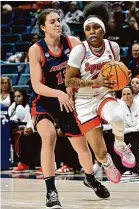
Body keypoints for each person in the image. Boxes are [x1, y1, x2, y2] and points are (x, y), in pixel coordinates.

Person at [29, 9, 109, 209]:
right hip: (45, 100)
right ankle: (51, 191)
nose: (58, 24)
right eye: (53, 21)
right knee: (49, 137)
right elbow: (37, 85)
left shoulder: (72, 42)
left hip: (69, 100)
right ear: (43, 27)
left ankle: (90, 178)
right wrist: (59, 93)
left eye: (59, 20)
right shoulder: (36, 50)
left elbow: (85, 68)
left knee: (81, 146)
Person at [65, 2, 136, 184]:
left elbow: (116, 73)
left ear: (103, 30)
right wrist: (93, 82)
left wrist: (123, 78)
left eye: (96, 27)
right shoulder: (79, 51)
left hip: (104, 95)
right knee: (100, 151)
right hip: (84, 100)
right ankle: (107, 163)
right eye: (88, 29)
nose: (92, 31)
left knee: (118, 118)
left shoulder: (113, 48)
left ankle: (120, 144)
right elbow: (69, 81)